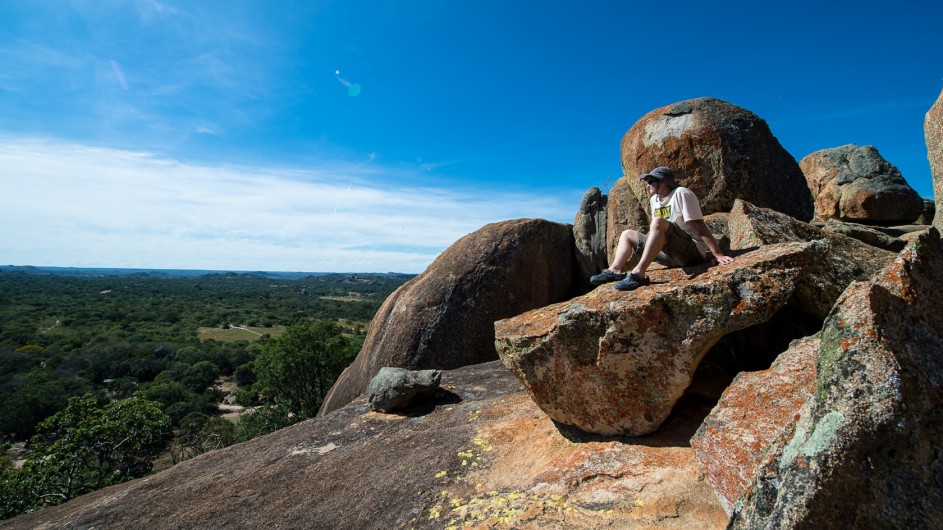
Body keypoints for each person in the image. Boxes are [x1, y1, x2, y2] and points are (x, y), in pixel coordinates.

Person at [590, 166, 733, 291]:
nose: (647, 185)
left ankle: (638, 274)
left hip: (691, 254)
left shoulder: (681, 193)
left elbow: (699, 226)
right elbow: (657, 233)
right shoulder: (654, 200)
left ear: (663, 182)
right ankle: (614, 270)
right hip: (670, 254)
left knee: (658, 222)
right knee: (627, 234)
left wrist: (718, 254)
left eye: (650, 181)